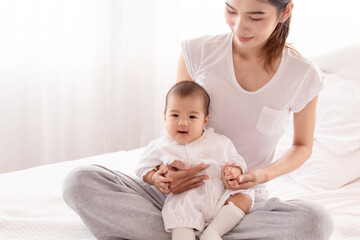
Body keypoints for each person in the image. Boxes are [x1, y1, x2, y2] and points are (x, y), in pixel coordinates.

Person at [62, 0, 334, 239]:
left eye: (255, 16)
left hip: (237, 199)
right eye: (231, 10)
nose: (239, 26)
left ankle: (186, 232)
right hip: (177, 192)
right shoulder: (198, 51)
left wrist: (262, 174)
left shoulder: (303, 75)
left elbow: (301, 146)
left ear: (285, 11)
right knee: (79, 181)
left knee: (316, 221)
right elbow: (177, 121)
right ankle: (196, 231)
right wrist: (161, 175)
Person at [136, 81, 254, 240]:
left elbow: (236, 159)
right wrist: (153, 177)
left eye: (192, 116)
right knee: (180, 221)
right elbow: (142, 167)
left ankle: (214, 232)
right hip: (185, 202)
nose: (183, 122)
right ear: (165, 116)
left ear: (205, 120)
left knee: (244, 196)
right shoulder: (161, 145)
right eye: (175, 115)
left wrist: (235, 171)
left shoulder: (219, 142)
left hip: (219, 197)